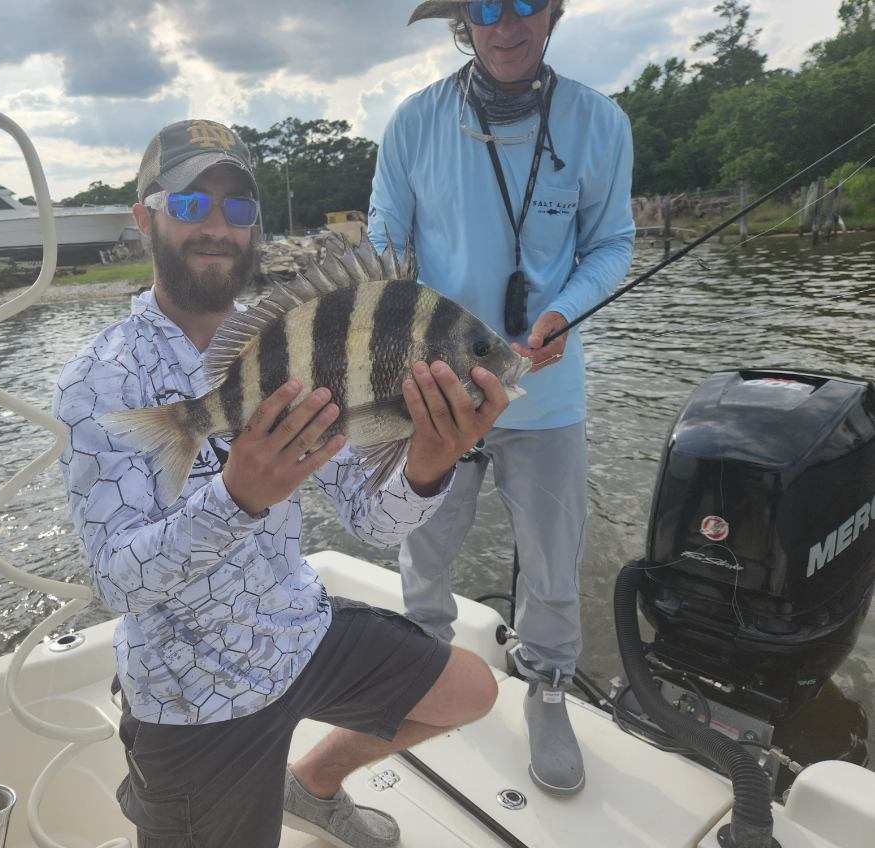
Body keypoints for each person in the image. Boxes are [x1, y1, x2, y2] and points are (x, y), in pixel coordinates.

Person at [53, 119, 512, 848]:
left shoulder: (282, 340)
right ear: (144, 217)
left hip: (296, 631)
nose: (216, 227)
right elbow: (119, 585)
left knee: (472, 690)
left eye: (237, 209)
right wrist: (236, 498)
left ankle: (312, 783)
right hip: (190, 689)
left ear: (254, 229)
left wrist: (429, 458)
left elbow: (373, 522)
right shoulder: (99, 380)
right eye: (188, 203)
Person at [369, 0, 636, 796]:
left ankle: (547, 682)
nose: (506, 23)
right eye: (485, 6)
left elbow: (611, 241)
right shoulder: (413, 124)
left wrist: (563, 312)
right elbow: (386, 239)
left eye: (525, 2)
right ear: (461, 21)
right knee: (422, 540)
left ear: (551, 13)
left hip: (544, 387)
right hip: (438, 388)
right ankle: (421, 661)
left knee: (555, 552)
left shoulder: (598, 122)